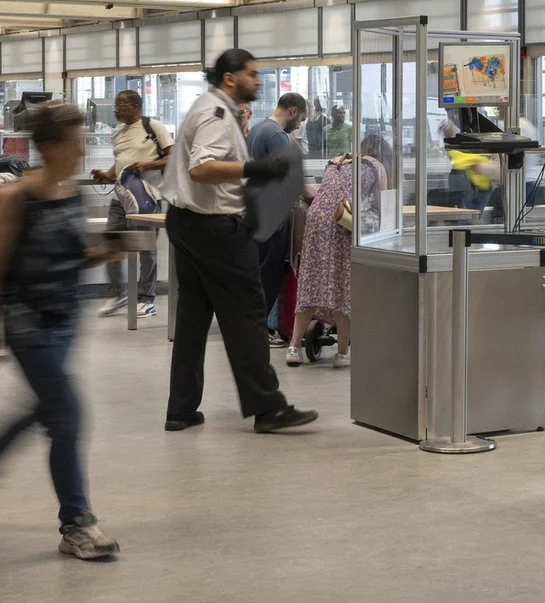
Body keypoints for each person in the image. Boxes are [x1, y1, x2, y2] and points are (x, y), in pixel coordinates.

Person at [0, 102, 120, 559]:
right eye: (75, 141)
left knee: (45, 409)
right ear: (49, 146)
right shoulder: (12, 198)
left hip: (66, 321)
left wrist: (108, 252)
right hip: (28, 325)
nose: (83, 148)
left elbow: (80, 254)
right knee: (67, 416)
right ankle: (76, 524)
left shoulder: (71, 192)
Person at [159, 48, 316, 435]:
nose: (258, 81)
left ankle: (181, 409)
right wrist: (256, 167)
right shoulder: (215, 114)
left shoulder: (212, 108)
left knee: (194, 318)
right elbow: (202, 169)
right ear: (230, 77)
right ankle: (267, 407)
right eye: (252, 74)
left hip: (188, 224)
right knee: (247, 313)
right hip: (214, 229)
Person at [289, 145, 380, 369]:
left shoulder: (335, 161)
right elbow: (381, 203)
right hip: (342, 220)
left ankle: (293, 348)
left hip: (317, 217)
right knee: (341, 283)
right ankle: (342, 353)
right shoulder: (375, 166)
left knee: (310, 280)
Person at [90, 89, 170, 320]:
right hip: (120, 198)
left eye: (121, 105)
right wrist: (106, 175)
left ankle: (147, 299)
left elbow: (172, 156)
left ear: (135, 106)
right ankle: (118, 295)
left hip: (146, 198)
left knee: (146, 250)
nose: (115, 109)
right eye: (115, 105)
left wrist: (148, 165)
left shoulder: (153, 127)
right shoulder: (118, 132)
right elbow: (120, 162)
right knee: (111, 245)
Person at [249, 91, 308, 345]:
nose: (300, 125)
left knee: (258, 271)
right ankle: (258, 329)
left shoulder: (257, 129)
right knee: (269, 273)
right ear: (293, 111)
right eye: (301, 119)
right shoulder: (277, 135)